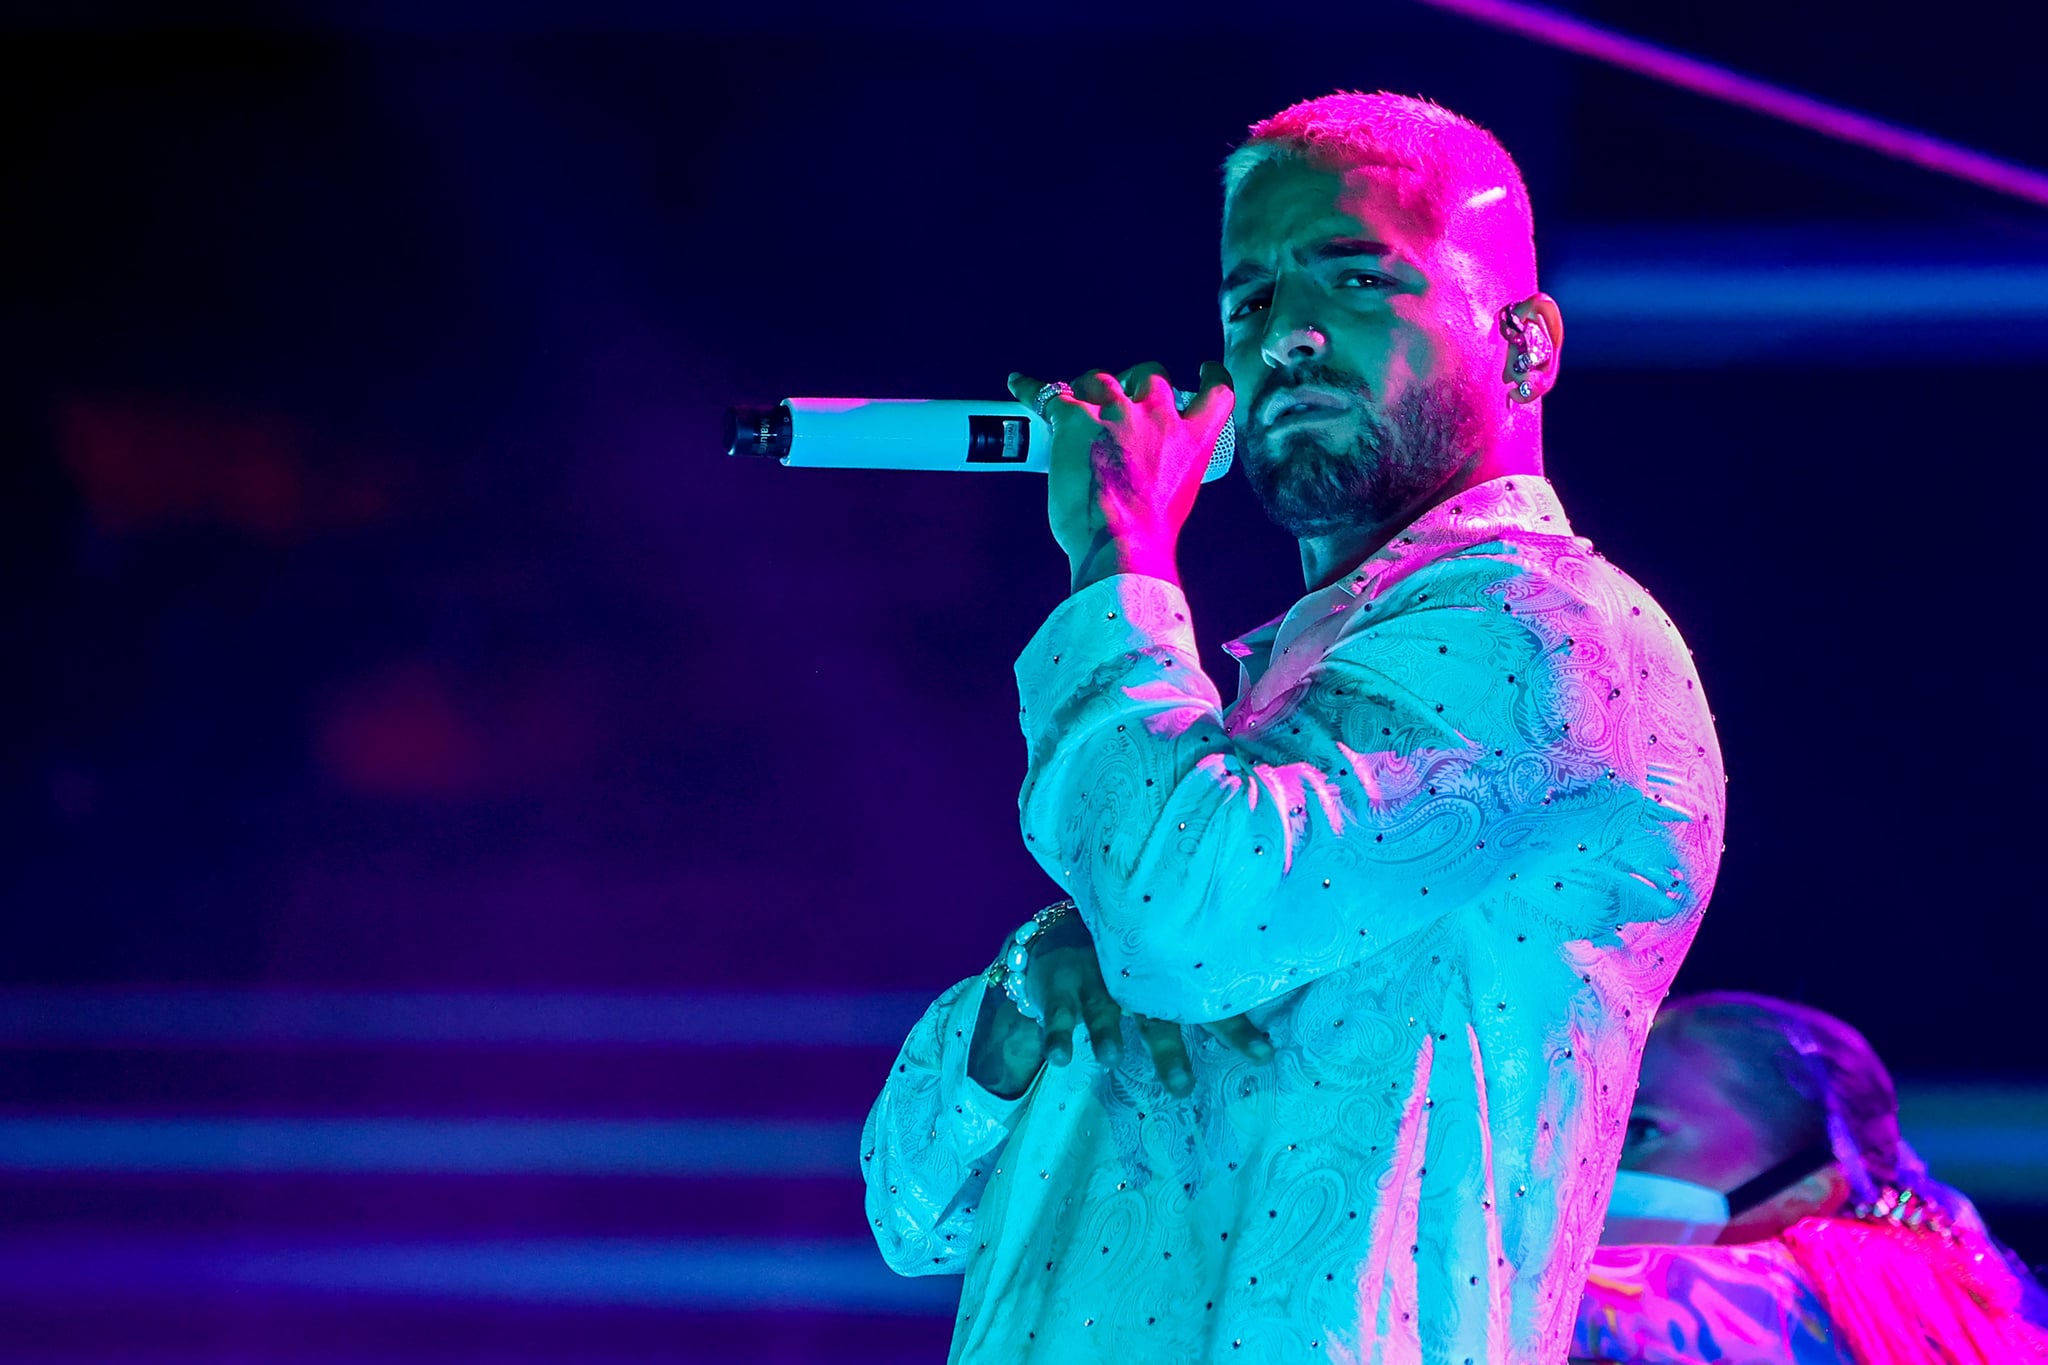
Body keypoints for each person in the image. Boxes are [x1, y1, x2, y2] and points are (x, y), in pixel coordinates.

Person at [862, 90, 1725, 1363]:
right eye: (1249, 301)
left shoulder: (1556, 641)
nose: (1288, 340)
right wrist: (1019, 991)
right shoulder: (1227, 726)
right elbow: (909, 1212)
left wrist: (1115, 550)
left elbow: (1175, 919)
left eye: (1355, 279)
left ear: (1525, 344)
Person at [1573, 992, 2048, 1364]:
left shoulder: (1823, 1293)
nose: (1593, 1159)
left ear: (1808, 1192)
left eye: (1639, 1129)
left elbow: (1531, 1297)